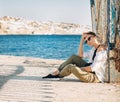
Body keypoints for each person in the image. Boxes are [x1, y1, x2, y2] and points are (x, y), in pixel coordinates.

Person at [42, 31, 108, 83]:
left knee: (71, 67)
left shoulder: (101, 49)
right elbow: (80, 55)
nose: (87, 41)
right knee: (74, 57)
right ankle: (57, 72)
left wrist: (78, 68)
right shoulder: (94, 49)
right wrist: (82, 41)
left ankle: (58, 76)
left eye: (89, 38)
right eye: (86, 41)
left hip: (95, 77)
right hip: (90, 70)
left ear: (95, 37)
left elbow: (93, 68)